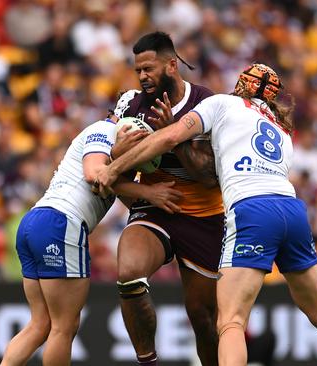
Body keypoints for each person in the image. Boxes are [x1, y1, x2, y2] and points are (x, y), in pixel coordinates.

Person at [94, 63, 317, 366]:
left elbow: (168, 138)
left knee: (230, 322)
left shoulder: (221, 103)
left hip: (252, 209)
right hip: (292, 211)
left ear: (241, 84)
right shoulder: (282, 130)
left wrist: (114, 169)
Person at [0, 117, 183, 366]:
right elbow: (95, 175)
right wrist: (149, 191)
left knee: (41, 324)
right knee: (64, 327)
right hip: (62, 223)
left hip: (37, 220)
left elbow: (122, 194)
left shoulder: (117, 155)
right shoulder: (105, 129)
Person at [109, 31, 222, 365]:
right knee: (129, 273)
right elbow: (111, 168)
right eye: (138, 71)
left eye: (149, 69)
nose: (142, 77)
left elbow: (209, 174)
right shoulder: (131, 105)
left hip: (204, 215)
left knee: (202, 318)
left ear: (172, 65)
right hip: (154, 207)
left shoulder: (206, 102)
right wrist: (122, 154)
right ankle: (149, 361)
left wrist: (173, 135)